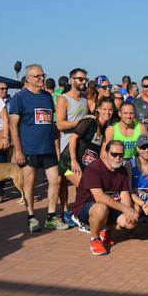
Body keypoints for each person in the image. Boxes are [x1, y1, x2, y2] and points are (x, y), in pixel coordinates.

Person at [10, 64, 69, 232]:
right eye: (38, 76)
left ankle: (51, 216)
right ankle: (31, 216)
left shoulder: (46, 97)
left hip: (48, 147)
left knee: (55, 180)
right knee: (30, 182)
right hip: (29, 148)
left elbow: (51, 124)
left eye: (43, 76)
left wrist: (57, 149)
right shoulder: (19, 97)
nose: (42, 79)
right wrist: (18, 150)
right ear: (28, 79)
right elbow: (13, 126)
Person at [71, 140, 138, 256]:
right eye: (114, 154)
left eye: (121, 155)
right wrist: (125, 209)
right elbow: (99, 197)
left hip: (110, 208)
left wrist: (128, 211)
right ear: (106, 153)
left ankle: (105, 230)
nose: (118, 158)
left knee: (130, 223)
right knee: (101, 208)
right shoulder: (94, 168)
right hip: (87, 208)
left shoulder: (121, 170)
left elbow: (124, 194)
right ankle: (95, 239)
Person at [55, 68, 90, 226]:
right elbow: (60, 124)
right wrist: (81, 123)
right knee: (67, 181)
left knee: (80, 181)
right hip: (66, 149)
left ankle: (77, 211)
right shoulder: (63, 99)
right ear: (71, 80)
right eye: (80, 79)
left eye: (85, 79)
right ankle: (64, 212)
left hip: (82, 147)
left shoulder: (84, 98)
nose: (83, 82)